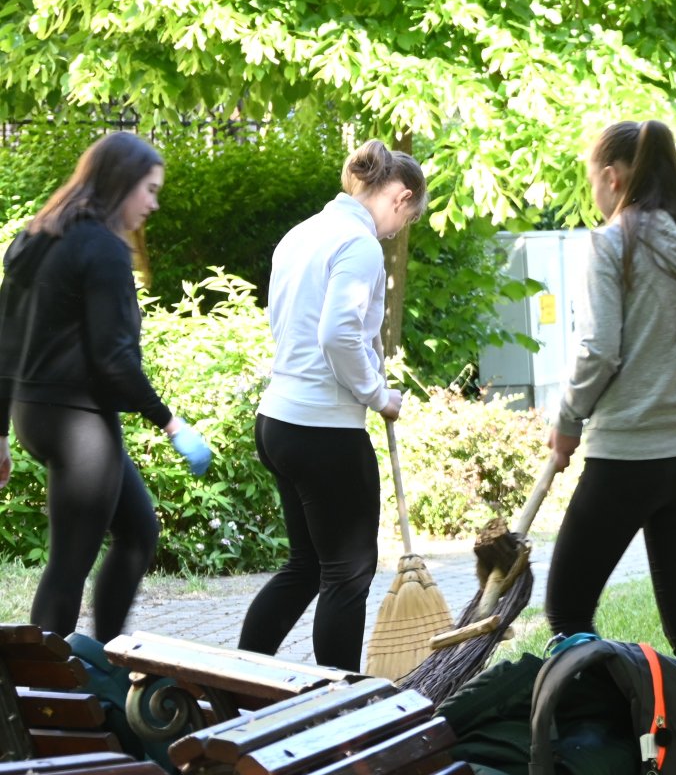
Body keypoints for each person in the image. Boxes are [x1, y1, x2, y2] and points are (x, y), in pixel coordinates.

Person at [543, 120, 676, 700]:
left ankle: (592, 745)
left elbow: (599, 348)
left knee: (568, 614)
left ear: (612, 176)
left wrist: (566, 418)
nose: (596, 194)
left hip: (623, 459)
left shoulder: (611, 243)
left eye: (593, 183)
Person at [0, 131, 212, 642]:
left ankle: (105, 659)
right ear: (121, 184)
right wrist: (171, 422)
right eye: (150, 189)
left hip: (36, 412)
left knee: (138, 531)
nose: (153, 204)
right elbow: (114, 359)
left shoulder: (37, 237)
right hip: (79, 422)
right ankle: (34, 695)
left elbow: (4, 342)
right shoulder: (104, 249)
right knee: (69, 563)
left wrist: (1, 430)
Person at [238, 139, 420, 672]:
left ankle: (241, 679)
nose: (397, 231)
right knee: (348, 573)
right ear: (400, 196)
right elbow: (339, 334)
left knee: (308, 566)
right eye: (405, 219)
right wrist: (377, 395)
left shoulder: (302, 234)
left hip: (277, 420)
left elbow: (280, 318)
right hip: (324, 431)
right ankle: (341, 705)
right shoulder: (358, 243)